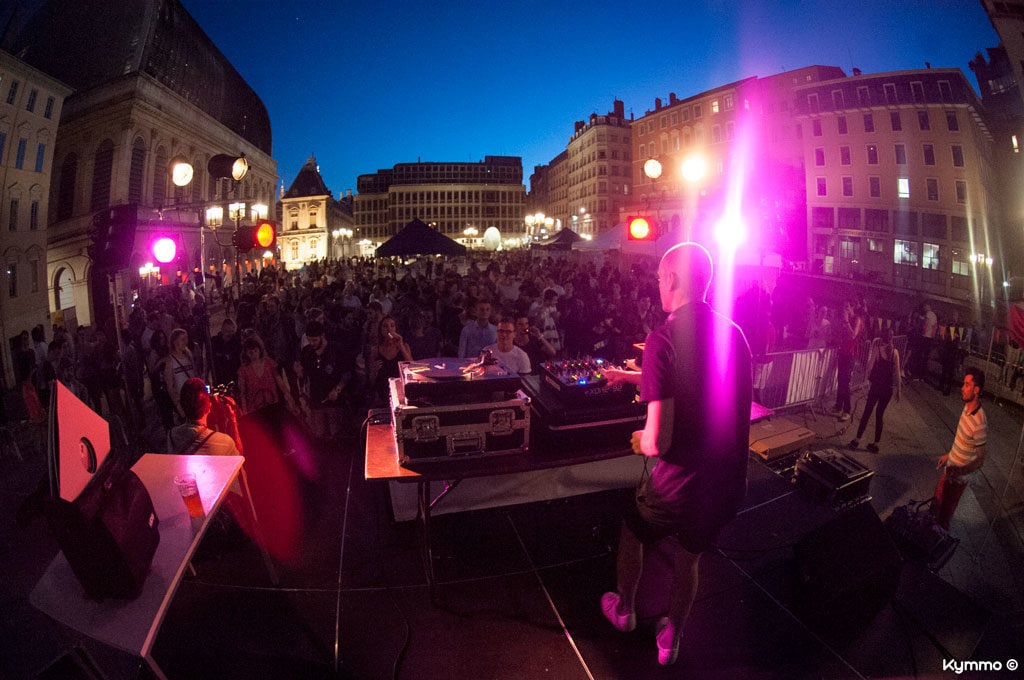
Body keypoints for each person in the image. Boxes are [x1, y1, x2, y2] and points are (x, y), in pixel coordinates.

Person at [600, 242, 752, 666]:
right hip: (727, 486)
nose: (657, 285)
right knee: (689, 557)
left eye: (660, 278)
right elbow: (698, 385)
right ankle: (672, 641)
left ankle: (626, 611)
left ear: (673, 279)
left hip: (680, 486)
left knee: (633, 527)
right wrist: (631, 377)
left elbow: (659, 442)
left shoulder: (662, 339)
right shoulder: (732, 333)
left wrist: (640, 441)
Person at [930, 368, 987, 530]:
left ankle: (938, 545)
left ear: (976, 390)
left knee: (944, 515)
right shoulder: (966, 408)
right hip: (950, 469)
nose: (962, 387)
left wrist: (959, 472)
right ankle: (929, 534)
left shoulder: (979, 421)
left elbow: (981, 459)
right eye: (964, 383)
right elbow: (962, 442)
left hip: (957, 478)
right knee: (936, 504)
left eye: (967, 384)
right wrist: (949, 455)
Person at [848, 327, 902, 453]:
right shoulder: (895, 352)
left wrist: (866, 381)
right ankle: (876, 444)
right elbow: (897, 373)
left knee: (867, 413)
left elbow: (869, 367)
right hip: (887, 389)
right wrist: (898, 391)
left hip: (876, 387)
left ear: (881, 338)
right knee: (880, 415)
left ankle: (856, 440)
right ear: (892, 337)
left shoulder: (877, 350)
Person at [167, 378, 240, 456]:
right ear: (209, 405)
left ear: (182, 406)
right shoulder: (225, 442)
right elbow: (239, 459)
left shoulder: (172, 436)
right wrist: (232, 420)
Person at [237, 335, 297, 415]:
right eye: (250, 352)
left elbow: (280, 382)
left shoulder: (269, 363)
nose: (254, 354)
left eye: (255, 351)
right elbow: (243, 393)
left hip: (272, 404)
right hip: (254, 408)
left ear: (259, 350)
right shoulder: (243, 370)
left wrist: (289, 398)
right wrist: (244, 412)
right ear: (246, 354)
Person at [369, 315, 412, 405]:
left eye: (392, 326)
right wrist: (373, 371)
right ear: (380, 330)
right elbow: (371, 380)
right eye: (385, 326)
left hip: (400, 389)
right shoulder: (376, 349)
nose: (389, 329)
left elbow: (411, 366)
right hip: (382, 390)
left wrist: (400, 345)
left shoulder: (404, 346)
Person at [165, 328, 199, 422]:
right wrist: (178, 406)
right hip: (183, 402)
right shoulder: (170, 361)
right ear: (175, 342)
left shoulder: (189, 356)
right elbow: (170, 387)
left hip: (194, 399)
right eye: (182, 339)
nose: (186, 342)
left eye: (186, 338)